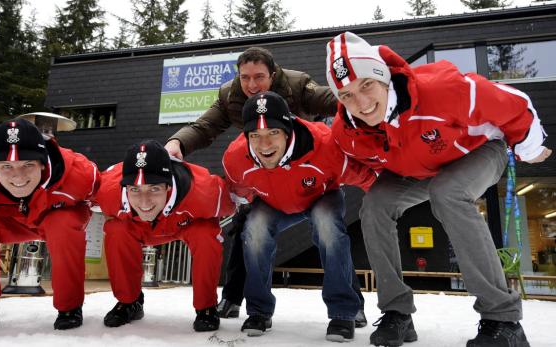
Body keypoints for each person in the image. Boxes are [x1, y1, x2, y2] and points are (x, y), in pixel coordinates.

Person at [326, 32, 551, 347]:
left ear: (383, 76)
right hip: (418, 171)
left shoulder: (442, 89)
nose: (361, 103)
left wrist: (529, 146)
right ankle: (397, 314)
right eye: (347, 95)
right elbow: (350, 165)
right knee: (375, 205)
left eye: (366, 85)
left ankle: (503, 319)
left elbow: (515, 103)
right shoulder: (347, 132)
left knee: (447, 193)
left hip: (478, 151)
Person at [165, 46, 368, 327]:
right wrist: (178, 142)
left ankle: (349, 305)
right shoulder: (230, 96)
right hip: (266, 177)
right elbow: (204, 127)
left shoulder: (297, 85)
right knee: (247, 225)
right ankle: (237, 299)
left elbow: (334, 100)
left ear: (274, 75)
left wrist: (360, 109)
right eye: (245, 77)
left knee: (330, 229)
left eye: (259, 77)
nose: (251, 85)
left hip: (309, 173)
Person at [222, 91, 376, 341]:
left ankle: (343, 312)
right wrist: (238, 209)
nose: (264, 145)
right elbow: (236, 190)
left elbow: (366, 177)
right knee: (255, 228)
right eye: (255, 136)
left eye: (273, 133)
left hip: (320, 196)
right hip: (274, 203)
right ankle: (259, 311)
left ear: (288, 129)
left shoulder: (325, 145)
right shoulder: (236, 158)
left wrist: (387, 202)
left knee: (328, 226)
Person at [0, 118, 100, 336]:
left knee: (62, 224)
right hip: (10, 219)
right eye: (6, 166)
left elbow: (106, 196)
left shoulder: (79, 174)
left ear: (42, 163)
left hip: (55, 215)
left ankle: (69, 306)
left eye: (28, 164)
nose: (18, 176)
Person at [95, 140, 235, 332]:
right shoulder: (106, 190)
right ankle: (129, 302)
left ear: (168, 186)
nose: (145, 201)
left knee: (206, 234)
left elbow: (236, 200)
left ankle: (206, 307)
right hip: (138, 227)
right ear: (124, 187)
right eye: (134, 190)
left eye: (154, 188)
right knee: (116, 230)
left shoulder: (205, 191)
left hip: (186, 224)